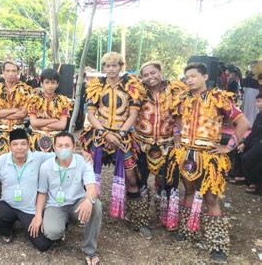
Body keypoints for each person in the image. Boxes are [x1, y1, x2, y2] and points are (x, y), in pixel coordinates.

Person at [167, 63, 250, 262]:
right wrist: (177, 137)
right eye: (187, 76)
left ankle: (217, 243)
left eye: (193, 76)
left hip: (210, 156)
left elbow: (243, 123)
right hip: (186, 154)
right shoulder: (182, 99)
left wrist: (228, 147)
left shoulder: (218, 98)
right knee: (188, 191)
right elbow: (176, 121)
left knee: (211, 198)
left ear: (205, 77)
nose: (189, 80)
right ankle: (188, 231)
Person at [0, 129, 92, 251]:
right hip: (8, 205)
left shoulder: (37, 157)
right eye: (15, 144)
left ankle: (62, 223)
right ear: (10, 146)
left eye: (23, 144)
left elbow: (60, 153)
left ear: (28, 145)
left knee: (43, 244)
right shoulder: (2, 160)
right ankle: (7, 230)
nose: (19, 148)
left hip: (30, 210)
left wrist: (81, 152)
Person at [80, 52, 149, 238]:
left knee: (132, 178)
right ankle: (84, 213)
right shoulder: (96, 86)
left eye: (114, 65)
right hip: (99, 135)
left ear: (121, 67)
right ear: (104, 67)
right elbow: (91, 114)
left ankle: (139, 219)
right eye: (107, 66)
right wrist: (104, 133)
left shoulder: (131, 86)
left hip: (122, 136)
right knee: (87, 174)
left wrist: (119, 134)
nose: (111, 69)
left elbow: (133, 115)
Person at [34, 132, 102, 265]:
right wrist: (38, 215)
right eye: (59, 145)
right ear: (53, 147)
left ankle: (90, 250)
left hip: (77, 203)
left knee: (96, 205)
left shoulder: (83, 161)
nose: (63, 149)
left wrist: (89, 200)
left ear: (74, 146)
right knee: (52, 233)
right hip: (56, 205)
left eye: (67, 145)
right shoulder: (46, 167)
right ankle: (63, 224)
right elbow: (42, 193)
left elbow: (92, 188)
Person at [134, 61, 187, 231]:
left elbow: (179, 115)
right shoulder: (138, 92)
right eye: (146, 74)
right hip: (142, 143)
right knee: (140, 180)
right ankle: (140, 219)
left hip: (168, 143)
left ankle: (165, 216)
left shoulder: (174, 90)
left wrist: (178, 134)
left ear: (160, 71)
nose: (150, 77)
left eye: (153, 73)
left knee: (168, 181)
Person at [0, 61, 31, 157]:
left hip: (18, 132)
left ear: (18, 73)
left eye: (13, 71)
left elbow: (23, 114)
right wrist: (13, 110)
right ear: (3, 72)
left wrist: (2, 113)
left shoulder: (25, 90)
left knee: (19, 162)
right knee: (1, 164)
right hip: (0, 132)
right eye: (7, 71)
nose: (10, 74)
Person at [27, 69, 71, 152]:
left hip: (56, 142)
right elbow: (33, 123)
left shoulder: (63, 101)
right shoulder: (34, 100)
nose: (50, 86)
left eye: (53, 82)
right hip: (36, 141)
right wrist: (54, 120)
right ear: (41, 83)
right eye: (47, 82)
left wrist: (40, 123)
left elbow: (62, 125)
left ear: (57, 84)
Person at [238, 93, 262, 195]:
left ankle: (253, 183)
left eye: (260, 101)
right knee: (238, 149)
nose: (259, 104)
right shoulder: (258, 115)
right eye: (257, 101)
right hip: (255, 141)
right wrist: (244, 143)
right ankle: (241, 177)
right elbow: (253, 132)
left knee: (247, 157)